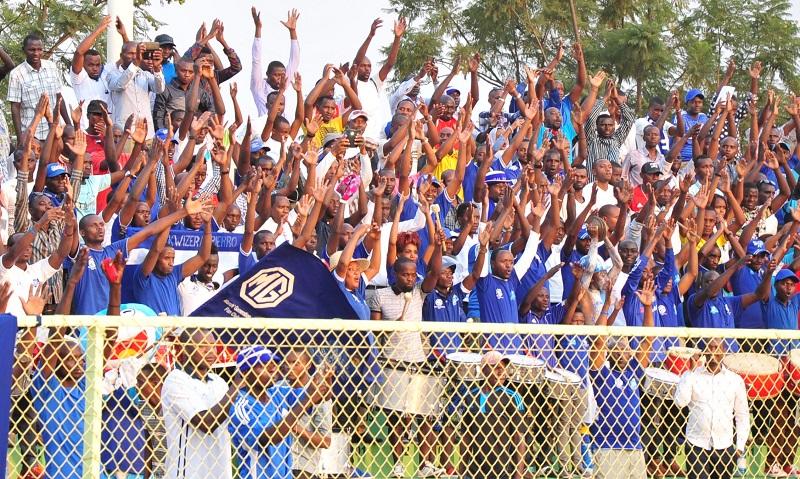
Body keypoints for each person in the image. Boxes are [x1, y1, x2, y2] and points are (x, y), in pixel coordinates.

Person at [229, 345, 333, 479]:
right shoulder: (241, 406)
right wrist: (308, 399)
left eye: (273, 364)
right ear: (245, 373)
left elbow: (320, 397)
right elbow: (267, 438)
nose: (272, 369)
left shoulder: (277, 392)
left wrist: (325, 380)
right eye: (264, 365)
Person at [589, 277, 657, 479]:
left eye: (626, 348)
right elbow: (599, 341)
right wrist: (607, 306)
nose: (622, 352)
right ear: (609, 354)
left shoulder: (633, 372)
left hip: (634, 446)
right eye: (617, 349)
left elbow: (648, 341)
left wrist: (648, 307)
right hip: (607, 446)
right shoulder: (602, 375)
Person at [161, 328, 238, 479]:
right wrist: (237, 386)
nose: (210, 351)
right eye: (202, 345)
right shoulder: (176, 379)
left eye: (213, 345)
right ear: (185, 348)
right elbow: (205, 424)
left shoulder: (219, 382)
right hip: (188, 474)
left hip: (219, 473)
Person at [674, 338, 750, 479]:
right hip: (696, 444)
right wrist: (690, 371)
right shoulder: (691, 375)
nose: (713, 351)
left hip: (724, 445)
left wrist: (740, 446)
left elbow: (742, 415)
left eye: (717, 347)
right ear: (704, 351)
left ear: (724, 351)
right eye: (710, 347)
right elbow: (680, 402)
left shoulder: (735, 380)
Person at [457, 351, 526, 479]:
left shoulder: (513, 397)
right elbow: (466, 436)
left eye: (503, 368)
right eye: (496, 368)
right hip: (474, 472)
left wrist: (518, 474)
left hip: (503, 472)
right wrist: (462, 471)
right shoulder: (471, 396)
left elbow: (519, 437)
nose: (501, 372)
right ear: (484, 370)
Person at [7, 34, 67, 141]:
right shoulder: (16, 74)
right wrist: (20, 138)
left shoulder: (52, 67)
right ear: (24, 50)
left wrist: (69, 124)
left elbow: (59, 98)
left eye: (39, 49)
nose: (36, 53)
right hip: (33, 136)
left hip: (55, 132)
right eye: (32, 50)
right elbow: (15, 107)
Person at [107, 41, 165, 139]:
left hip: (147, 134)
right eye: (131, 53)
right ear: (121, 55)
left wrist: (157, 69)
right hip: (125, 134)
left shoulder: (145, 74)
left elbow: (159, 89)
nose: (135, 56)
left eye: (137, 53)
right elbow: (120, 85)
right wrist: (134, 65)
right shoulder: (112, 74)